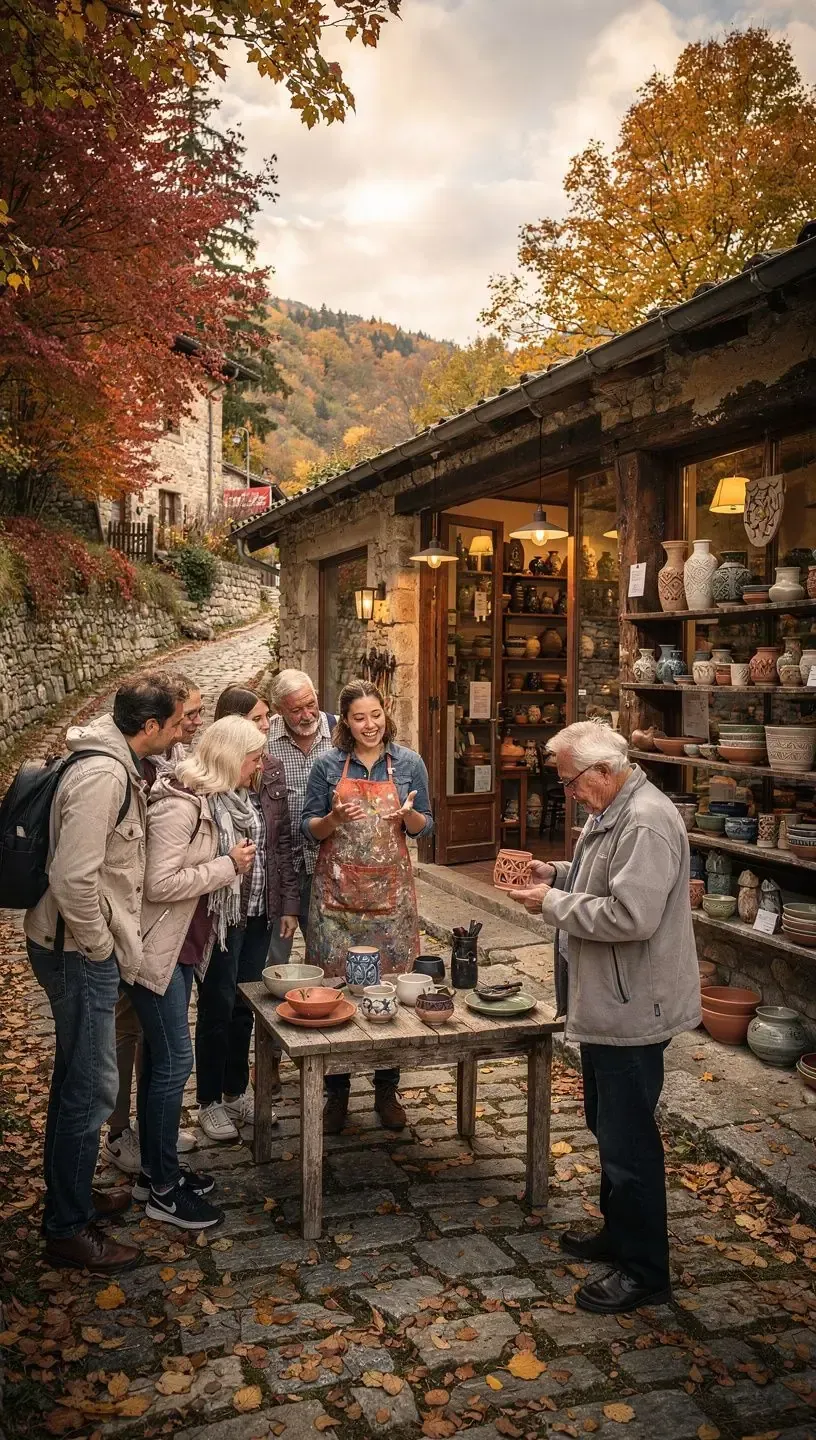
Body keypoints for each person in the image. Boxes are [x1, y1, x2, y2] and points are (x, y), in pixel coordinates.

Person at [513, 721, 700, 1315]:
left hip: (632, 1004)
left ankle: (645, 1272)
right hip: (609, 1002)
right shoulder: (615, 808)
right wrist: (557, 876)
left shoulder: (645, 819)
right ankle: (620, 1235)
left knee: (630, 1143)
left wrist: (550, 905)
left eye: (570, 781)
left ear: (602, 770)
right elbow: (605, 882)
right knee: (606, 1125)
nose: (567, 792)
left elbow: (631, 915)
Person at [24, 673, 186, 1272]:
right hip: (76, 951)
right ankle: (67, 1227)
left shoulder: (111, 761)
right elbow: (73, 879)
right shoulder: (103, 776)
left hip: (76, 948)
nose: (179, 733)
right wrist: (98, 948)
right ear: (149, 728)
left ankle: (73, 1196)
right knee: (89, 1090)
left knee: (76, 1082)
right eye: (174, 724)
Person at [124, 716, 263, 1228]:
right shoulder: (180, 807)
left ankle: (155, 1172)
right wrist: (226, 866)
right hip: (159, 953)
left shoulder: (204, 799)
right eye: (253, 756)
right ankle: (163, 1188)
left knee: (163, 1061)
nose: (259, 766)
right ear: (231, 757)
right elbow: (158, 885)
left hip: (181, 952)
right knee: (172, 1065)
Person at [302, 679, 433, 1135]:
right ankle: (335, 1091)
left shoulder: (410, 764)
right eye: (359, 718)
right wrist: (334, 819)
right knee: (335, 995)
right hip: (336, 905)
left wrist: (409, 817)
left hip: (390, 902)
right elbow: (309, 829)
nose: (369, 725)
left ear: (386, 712)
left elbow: (424, 828)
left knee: (389, 993)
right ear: (345, 722)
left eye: (375, 715)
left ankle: (386, 1087)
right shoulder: (327, 766)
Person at [105, 673, 204, 1175]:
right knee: (128, 1034)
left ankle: (149, 1133)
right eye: (187, 716)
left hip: (146, 928)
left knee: (152, 1041)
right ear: (157, 720)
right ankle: (120, 1133)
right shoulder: (119, 767)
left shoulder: (167, 758)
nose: (193, 724)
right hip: (127, 929)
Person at [195, 687, 299, 1141]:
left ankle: (237, 1090)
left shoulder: (264, 770)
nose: (267, 726)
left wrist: (287, 905)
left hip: (258, 911)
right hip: (223, 917)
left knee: (246, 1006)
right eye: (258, 719)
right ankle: (209, 1100)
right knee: (216, 1006)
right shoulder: (204, 792)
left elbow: (281, 844)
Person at [265, 671, 336, 972]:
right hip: (281, 868)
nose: (308, 715)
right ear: (279, 709)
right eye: (296, 709)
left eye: (311, 704)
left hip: (329, 866)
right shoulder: (264, 737)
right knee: (273, 959)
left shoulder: (339, 732)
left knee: (330, 956)